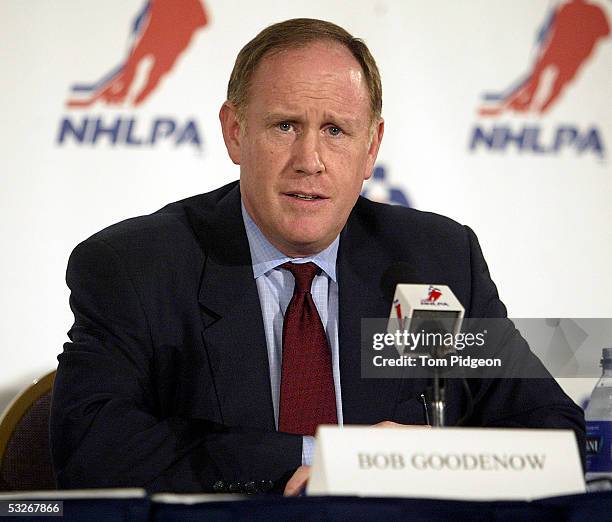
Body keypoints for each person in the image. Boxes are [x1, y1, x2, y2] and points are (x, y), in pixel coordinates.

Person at [50, 18, 584, 496]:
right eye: (285, 126)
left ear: (371, 148)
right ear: (235, 132)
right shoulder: (136, 266)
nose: (310, 161)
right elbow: (94, 450)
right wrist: (333, 460)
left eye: (335, 130)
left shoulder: (432, 261)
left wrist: (431, 459)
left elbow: (552, 432)